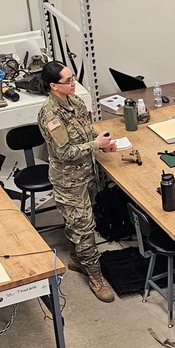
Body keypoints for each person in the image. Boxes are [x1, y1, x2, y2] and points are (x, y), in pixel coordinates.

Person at [37, 61, 117, 303]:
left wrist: (101, 140)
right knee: (84, 229)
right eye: (68, 81)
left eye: (73, 79)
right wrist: (95, 146)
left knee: (80, 222)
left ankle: (75, 258)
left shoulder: (77, 102)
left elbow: (86, 130)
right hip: (68, 181)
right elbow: (64, 152)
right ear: (53, 86)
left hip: (86, 174)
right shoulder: (50, 115)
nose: (73, 84)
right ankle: (95, 276)